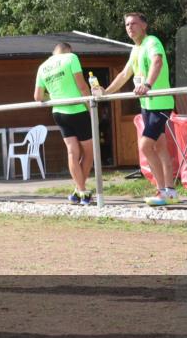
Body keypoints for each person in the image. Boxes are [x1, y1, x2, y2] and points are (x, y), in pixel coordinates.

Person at [102, 12, 178, 206]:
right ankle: (170, 192)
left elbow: (157, 62)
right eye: (127, 24)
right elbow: (125, 74)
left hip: (160, 103)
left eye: (134, 23)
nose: (130, 27)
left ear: (144, 25)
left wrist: (148, 85)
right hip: (147, 105)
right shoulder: (135, 49)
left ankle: (163, 191)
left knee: (144, 145)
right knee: (160, 148)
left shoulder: (152, 41)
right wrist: (105, 92)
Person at [35, 42, 94, 205]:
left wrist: (55, 97)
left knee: (72, 152)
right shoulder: (71, 58)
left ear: (54, 51)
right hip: (77, 110)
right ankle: (82, 191)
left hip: (58, 112)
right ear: (68, 50)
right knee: (90, 151)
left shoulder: (43, 67)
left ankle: (78, 191)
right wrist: (91, 108)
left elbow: (38, 96)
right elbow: (82, 86)